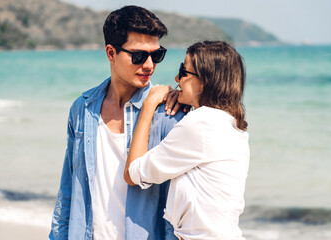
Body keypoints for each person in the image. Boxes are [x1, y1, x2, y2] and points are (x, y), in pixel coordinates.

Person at [49, 5, 185, 240]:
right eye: (139, 56)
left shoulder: (168, 115)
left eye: (157, 55)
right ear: (111, 53)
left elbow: (176, 207)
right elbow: (68, 191)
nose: (150, 65)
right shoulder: (82, 109)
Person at [124, 41, 250, 240]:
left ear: (205, 80)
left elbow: (133, 173)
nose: (177, 78)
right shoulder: (231, 125)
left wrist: (149, 105)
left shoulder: (200, 123)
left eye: (184, 72)